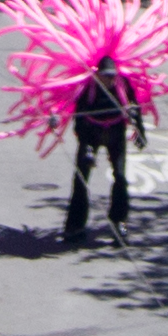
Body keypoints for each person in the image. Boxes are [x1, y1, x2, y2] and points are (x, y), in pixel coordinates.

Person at [64, 56, 139, 245]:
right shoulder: (88, 88)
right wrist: (86, 147)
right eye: (106, 75)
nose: (110, 79)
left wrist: (140, 131)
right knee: (81, 177)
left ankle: (119, 222)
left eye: (112, 75)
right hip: (91, 132)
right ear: (98, 74)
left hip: (115, 132)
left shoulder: (123, 85)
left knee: (120, 177)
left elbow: (135, 107)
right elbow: (78, 118)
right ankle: (75, 225)